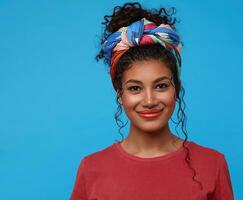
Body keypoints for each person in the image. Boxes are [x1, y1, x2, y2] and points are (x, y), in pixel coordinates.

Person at [70, 2, 234, 200]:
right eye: (135, 88)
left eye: (161, 86)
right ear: (120, 94)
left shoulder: (212, 164)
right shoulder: (91, 169)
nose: (149, 100)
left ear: (177, 88)